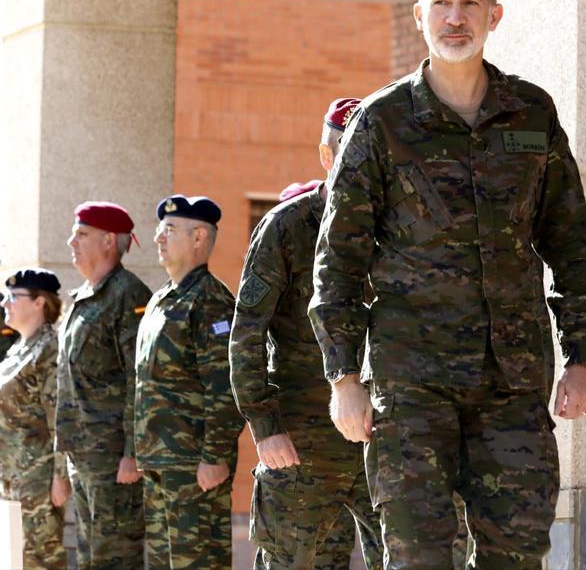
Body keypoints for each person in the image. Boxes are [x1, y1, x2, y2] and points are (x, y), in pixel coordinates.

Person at [308, 0, 586, 568]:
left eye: (470, 3)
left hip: (513, 383)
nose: (455, 17)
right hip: (411, 384)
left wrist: (579, 356)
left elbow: (571, 241)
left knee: (519, 551)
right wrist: (344, 377)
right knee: (418, 554)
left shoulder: (532, 113)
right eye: (440, 3)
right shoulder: (381, 123)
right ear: (419, 17)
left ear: (493, 16)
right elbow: (339, 260)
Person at [230, 98, 382, 570]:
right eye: (347, 149)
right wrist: (266, 427)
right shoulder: (287, 226)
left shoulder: (399, 226)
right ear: (326, 154)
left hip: (386, 435)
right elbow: (246, 335)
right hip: (302, 441)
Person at [135, 194, 241, 567]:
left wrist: (214, 456)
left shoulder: (211, 301)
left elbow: (225, 386)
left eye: (169, 230)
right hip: (159, 462)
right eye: (159, 229)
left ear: (199, 237)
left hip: (194, 467)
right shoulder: (161, 299)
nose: (158, 238)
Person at [56, 201, 150, 569]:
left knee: (116, 557)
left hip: (114, 457)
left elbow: (139, 378)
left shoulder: (128, 295)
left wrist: (133, 452)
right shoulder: (81, 297)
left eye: (82, 234)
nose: (71, 242)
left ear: (110, 241)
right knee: (90, 555)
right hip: (83, 454)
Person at [0, 268, 70, 568]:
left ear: (40, 302)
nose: (5, 303)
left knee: (40, 561)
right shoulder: (18, 349)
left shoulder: (49, 350)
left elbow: (61, 418)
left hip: (37, 482)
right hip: (11, 478)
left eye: (14, 296)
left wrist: (60, 477)